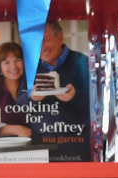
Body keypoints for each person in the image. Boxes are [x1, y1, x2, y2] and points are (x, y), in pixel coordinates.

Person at [31, 21, 90, 161]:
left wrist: (75, 96)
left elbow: (100, 106)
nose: (41, 47)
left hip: (76, 149)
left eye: (45, 40)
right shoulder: (31, 67)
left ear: (60, 37)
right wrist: (32, 98)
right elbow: (18, 103)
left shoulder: (83, 63)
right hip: (39, 150)